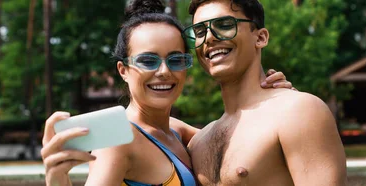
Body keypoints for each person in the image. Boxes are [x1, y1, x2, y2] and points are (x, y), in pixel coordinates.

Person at [39, 0, 293, 185]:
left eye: (175, 60)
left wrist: (272, 97)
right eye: (148, 61)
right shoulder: (119, 141)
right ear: (123, 70)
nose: (163, 72)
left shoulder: (178, 132)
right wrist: (56, 179)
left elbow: (250, 142)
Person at [183, 0, 347, 185]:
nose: (209, 38)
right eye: (199, 32)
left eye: (225, 25)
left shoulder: (298, 112)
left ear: (260, 38)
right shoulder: (198, 143)